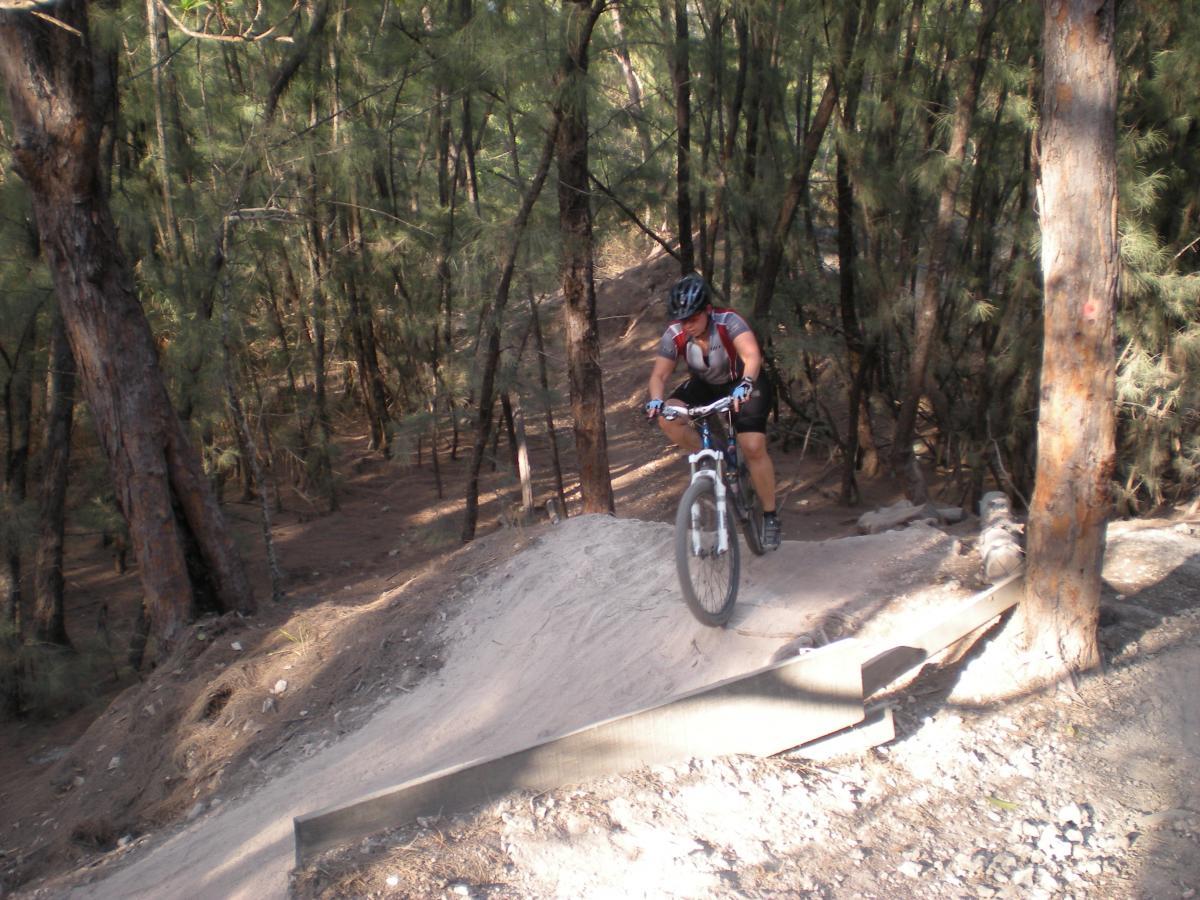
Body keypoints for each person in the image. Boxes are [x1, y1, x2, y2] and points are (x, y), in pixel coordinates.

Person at [645, 273, 781, 550]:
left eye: (693, 318)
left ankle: (770, 515)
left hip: (744, 380)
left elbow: (752, 356)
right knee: (668, 418)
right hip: (706, 384)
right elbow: (659, 375)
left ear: (707, 310)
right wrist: (656, 400)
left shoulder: (728, 321)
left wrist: (745, 384)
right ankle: (711, 455)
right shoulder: (675, 334)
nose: (688, 325)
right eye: (682, 319)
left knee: (752, 445)